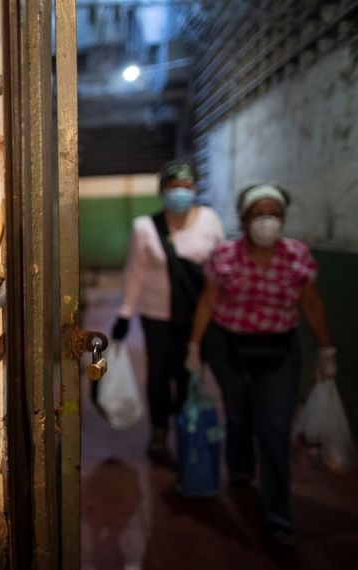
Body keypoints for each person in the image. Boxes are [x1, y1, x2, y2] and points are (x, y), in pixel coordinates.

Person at [185, 183, 335, 547]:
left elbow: (312, 306)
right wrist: (194, 346)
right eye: (258, 214)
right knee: (237, 413)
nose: (267, 221)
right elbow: (208, 302)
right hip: (229, 347)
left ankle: (278, 514)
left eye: (274, 214)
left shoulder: (298, 256)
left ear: (283, 219)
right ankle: (239, 470)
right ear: (243, 218)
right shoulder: (223, 256)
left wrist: (325, 351)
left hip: (279, 352)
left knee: (273, 427)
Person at [110, 160, 224, 459]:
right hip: (156, 316)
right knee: (159, 375)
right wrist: (125, 313)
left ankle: (186, 425)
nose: (180, 193)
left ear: (195, 189)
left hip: (198, 316)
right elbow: (136, 272)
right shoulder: (145, 227)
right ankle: (159, 430)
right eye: (174, 187)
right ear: (162, 191)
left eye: (186, 187)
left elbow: (222, 267)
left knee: (190, 373)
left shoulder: (210, 221)